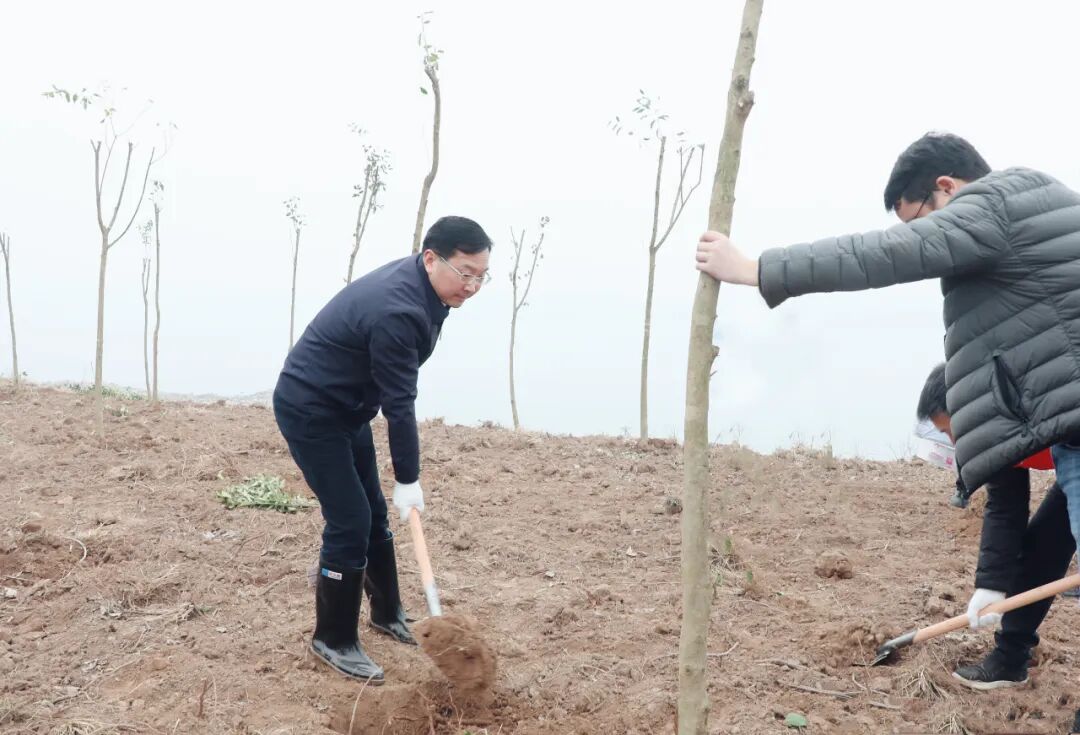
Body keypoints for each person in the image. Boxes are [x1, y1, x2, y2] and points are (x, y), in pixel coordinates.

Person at [694, 131, 1080, 572]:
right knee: (1049, 541)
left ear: (947, 187)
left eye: (920, 223)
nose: (923, 236)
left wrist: (756, 270)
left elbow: (880, 254)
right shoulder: (1047, 203)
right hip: (1070, 430)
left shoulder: (987, 207)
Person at [272, 216, 492, 682]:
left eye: (481, 276)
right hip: (312, 409)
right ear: (431, 258)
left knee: (372, 511)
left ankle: (388, 613)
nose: (472, 286)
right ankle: (332, 638)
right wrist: (408, 479)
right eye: (465, 273)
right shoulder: (398, 310)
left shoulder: (429, 288)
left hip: (349, 405)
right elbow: (399, 404)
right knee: (350, 520)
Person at [916, 362, 1074, 690]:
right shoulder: (991, 433)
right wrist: (990, 585)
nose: (953, 441)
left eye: (949, 431)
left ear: (969, 410)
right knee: (1043, 546)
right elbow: (1006, 508)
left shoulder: (1033, 392)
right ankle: (1010, 659)